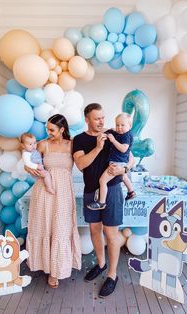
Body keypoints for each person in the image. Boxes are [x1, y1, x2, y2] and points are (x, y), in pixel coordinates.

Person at [73, 103, 134, 298]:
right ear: (87, 119)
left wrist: (125, 169)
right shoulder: (80, 140)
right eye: (97, 118)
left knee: (111, 232)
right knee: (94, 229)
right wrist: (99, 147)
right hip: (91, 191)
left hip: (113, 189)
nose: (101, 121)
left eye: (102, 117)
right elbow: (81, 164)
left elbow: (130, 157)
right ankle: (101, 264)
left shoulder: (112, 134)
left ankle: (112, 275)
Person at [25, 114, 81, 289]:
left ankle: (57, 269)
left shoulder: (73, 144)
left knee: (60, 228)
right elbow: (29, 162)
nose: (48, 132)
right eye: (47, 129)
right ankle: (48, 268)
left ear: (62, 129)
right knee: (45, 226)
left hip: (63, 192)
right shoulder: (43, 144)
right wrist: (27, 167)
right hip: (44, 191)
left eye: (52, 129)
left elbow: (83, 163)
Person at [87, 112, 136, 210]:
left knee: (102, 180)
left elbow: (123, 149)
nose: (119, 127)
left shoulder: (126, 136)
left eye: (122, 125)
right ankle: (131, 192)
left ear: (130, 126)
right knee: (123, 177)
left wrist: (113, 140)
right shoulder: (120, 133)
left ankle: (101, 202)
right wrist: (111, 131)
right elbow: (109, 131)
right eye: (117, 125)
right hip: (120, 163)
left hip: (117, 163)